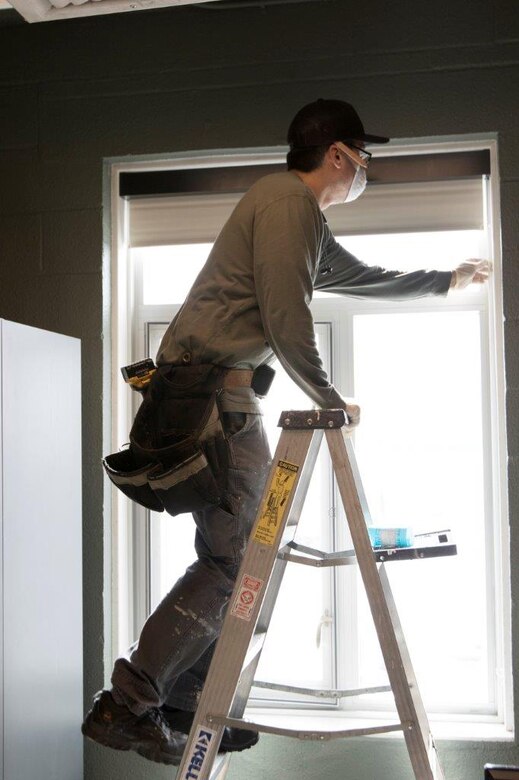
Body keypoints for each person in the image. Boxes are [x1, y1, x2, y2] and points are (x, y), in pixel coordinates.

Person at [82, 98, 490, 766]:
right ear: (337, 154)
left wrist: (444, 281)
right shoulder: (285, 206)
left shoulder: (299, 220)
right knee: (232, 560)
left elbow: (355, 278)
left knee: (239, 556)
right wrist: (327, 399)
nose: (366, 168)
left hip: (219, 395)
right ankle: (127, 704)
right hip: (208, 395)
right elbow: (284, 315)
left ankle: (186, 697)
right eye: (363, 155)